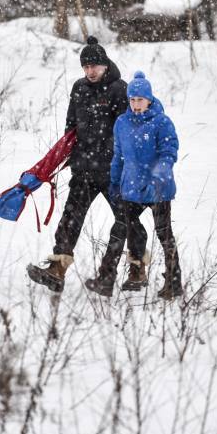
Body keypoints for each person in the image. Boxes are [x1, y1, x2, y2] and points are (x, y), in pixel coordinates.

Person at [27, 36, 145, 293]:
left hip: (113, 171)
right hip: (84, 168)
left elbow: (127, 130)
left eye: (94, 66)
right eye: (86, 67)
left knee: (128, 219)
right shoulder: (79, 88)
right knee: (71, 218)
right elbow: (71, 126)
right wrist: (69, 155)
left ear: (105, 65)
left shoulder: (118, 89)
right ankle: (57, 269)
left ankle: (137, 270)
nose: (90, 71)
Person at [98, 71, 183, 300]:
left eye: (140, 100)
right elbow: (118, 156)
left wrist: (159, 174)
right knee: (122, 229)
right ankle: (107, 277)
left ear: (149, 99)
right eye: (132, 100)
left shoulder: (161, 122)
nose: (136, 104)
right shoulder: (122, 123)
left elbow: (169, 152)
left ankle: (174, 282)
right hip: (132, 188)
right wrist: (114, 182)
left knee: (165, 234)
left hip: (158, 189)